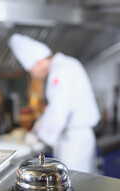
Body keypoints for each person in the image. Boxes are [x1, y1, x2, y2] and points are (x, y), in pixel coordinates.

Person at [8, 33, 100, 173]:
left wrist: (39, 137)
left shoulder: (60, 71)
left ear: (38, 61)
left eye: (30, 70)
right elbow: (57, 107)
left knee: (73, 185)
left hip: (74, 141)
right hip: (77, 137)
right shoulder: (67, 64)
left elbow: (58, 110)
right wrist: (40, 125)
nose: (32, 75)